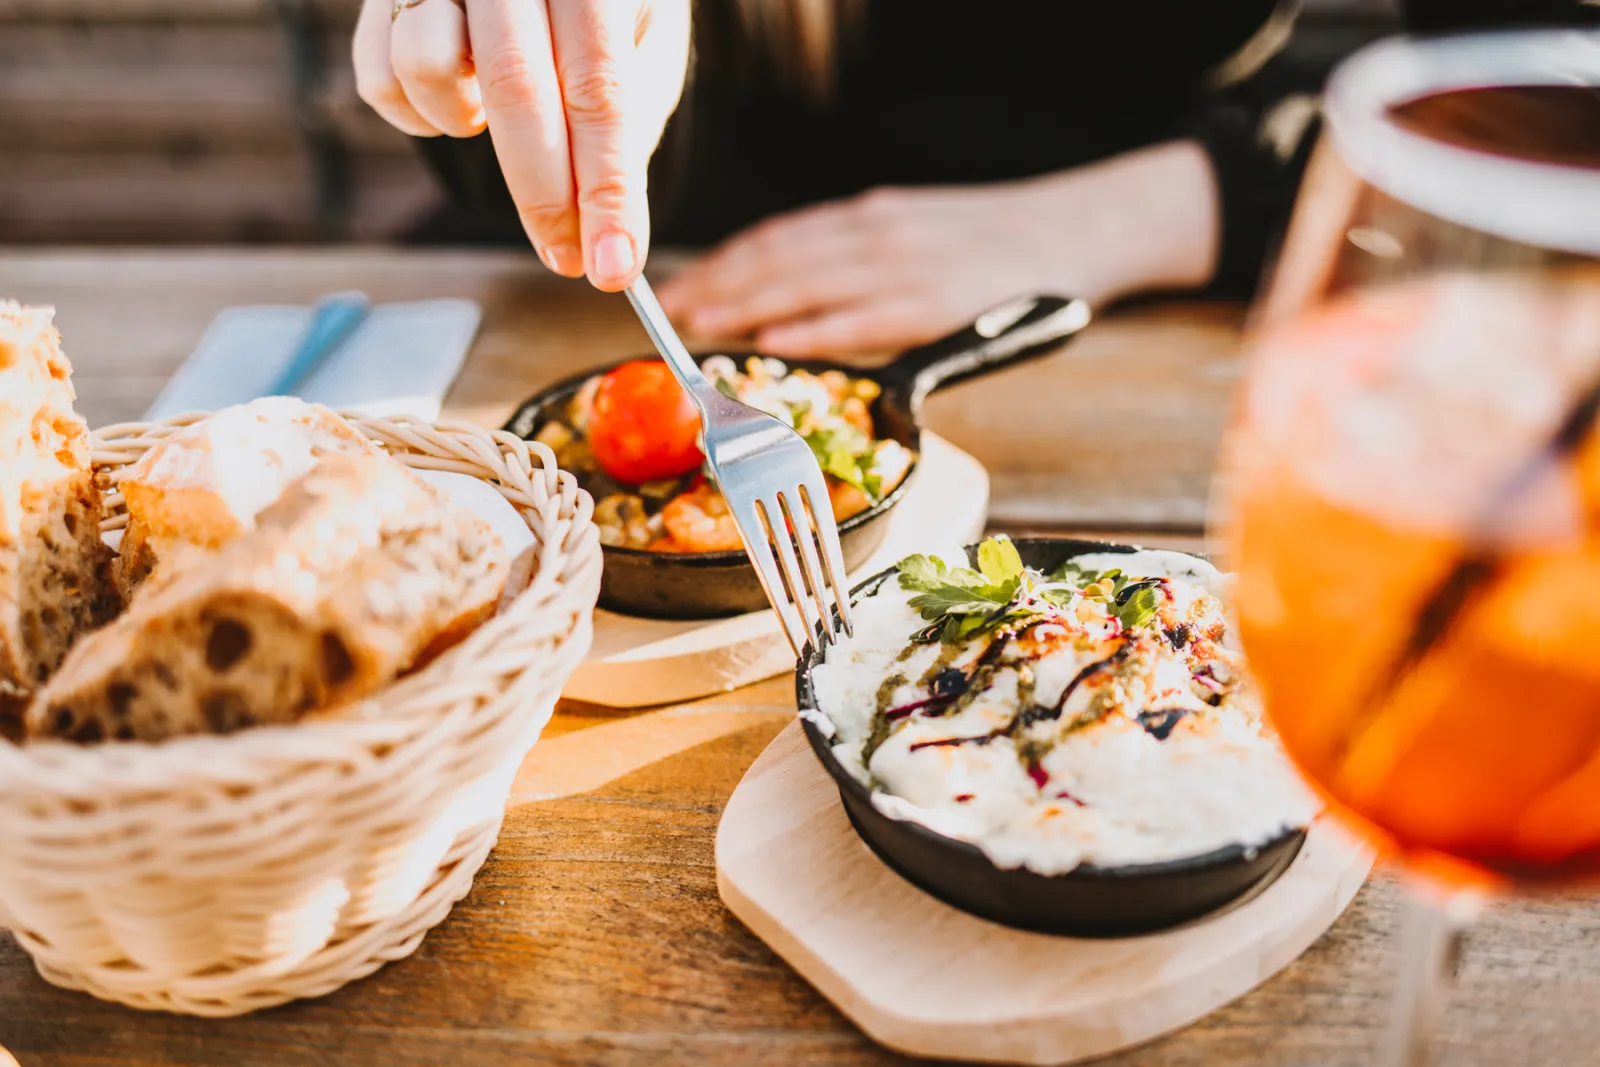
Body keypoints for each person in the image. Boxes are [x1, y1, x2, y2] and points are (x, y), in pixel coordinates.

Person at [354, 0, 1598, 357]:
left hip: (1197, 305)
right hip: (619, 314)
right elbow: (513, 166)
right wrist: (498, 65)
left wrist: (1172, 204)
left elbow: (1554, 106)